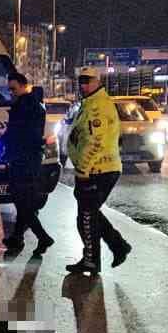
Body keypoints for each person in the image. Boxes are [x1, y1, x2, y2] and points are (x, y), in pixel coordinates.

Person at [65, 67, 131, 273]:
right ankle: (117, 246)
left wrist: (83, 171)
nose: (83, 85)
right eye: (80, 81)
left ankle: (94, 259)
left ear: (98, 81)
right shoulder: (90, 103)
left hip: (97, 169)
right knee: (89, 214)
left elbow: (95, 142)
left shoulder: (98, 107)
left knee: (86, 216)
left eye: (87, 80)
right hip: (96, 169)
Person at [0, 71, 55, 257]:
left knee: (22, 202)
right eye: (9, 90)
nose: (11, 93)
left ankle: (43, 237)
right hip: (29, 159)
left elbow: (23, 134)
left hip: (23, 160)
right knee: (24, 201)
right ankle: (16, 237)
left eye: (13, 89)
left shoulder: (25, 107)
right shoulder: (33, 105)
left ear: (23, 86)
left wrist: (5, 143)